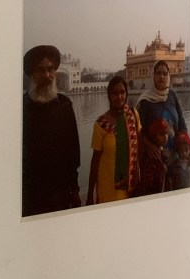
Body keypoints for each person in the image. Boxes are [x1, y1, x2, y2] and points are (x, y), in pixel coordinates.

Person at [22, 45, 81, 217]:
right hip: (32, 196)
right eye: (41, 70)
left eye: (51, 69)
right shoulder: (22, 108)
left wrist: (74, 189)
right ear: (31, 74)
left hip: (61, 193)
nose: (47, 75)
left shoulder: (64, 106)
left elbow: (73, 152)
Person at [86, 76, 141, 205]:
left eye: (122, 92)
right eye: (114, 93)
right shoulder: (101, 124)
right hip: (109, 189)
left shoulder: (133, 115)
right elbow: (95, 161)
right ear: (109, 96)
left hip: (131, 185)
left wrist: (139, 176)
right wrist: (89, 195)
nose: (119, 97)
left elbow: (139, 147)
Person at [136, 60, 190, 161]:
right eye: (158, 73)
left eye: (165, 74)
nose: (162, 77)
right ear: (153, 76)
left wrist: (184, 144)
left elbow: (181, 124)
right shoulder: (145, 101)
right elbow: (139, 131)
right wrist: (149, 146)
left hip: (175, 155)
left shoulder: (172, 96)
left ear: (168, 76)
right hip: (154, 158)